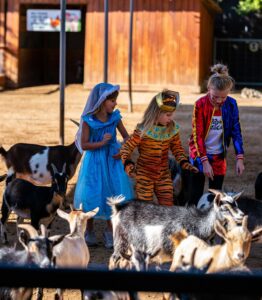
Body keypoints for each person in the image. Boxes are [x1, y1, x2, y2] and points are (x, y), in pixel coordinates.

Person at [74, 83, 134, 248]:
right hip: (94, 162)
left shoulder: (115, 118)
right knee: (91, 194)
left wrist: (122, 149)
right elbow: (84, 144)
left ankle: (110, 232)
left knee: (111, 193)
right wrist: (101, 142)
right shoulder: (88, 120)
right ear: (101, 101)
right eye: (112, 101)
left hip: (112, 161)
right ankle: (90, 231)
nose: (115, 104)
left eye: (115, 100)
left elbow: (127, 137)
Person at [120, 90, 198, 206]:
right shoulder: (143, 130)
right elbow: (126, 148)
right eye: (168, 115)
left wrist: (185, 163)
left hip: (164, 174)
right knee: (145, 207)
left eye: (172, 114)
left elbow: (177, 149)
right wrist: (128, 164)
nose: (171, 118)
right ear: (156, 113)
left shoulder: (172, 129)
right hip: (144, 174)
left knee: (167, 205)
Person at [188, 63, 245, 206]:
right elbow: (197, 135)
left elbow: (236, 131)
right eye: (215, 97)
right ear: (208, 89)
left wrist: (240, 157)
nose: (219, 101)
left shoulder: (231, 105)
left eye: (223, 97)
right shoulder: (200, 104)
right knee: (195, 194)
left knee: (216, 196)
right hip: (199, 156)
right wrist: (204, 161)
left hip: (219, 156)